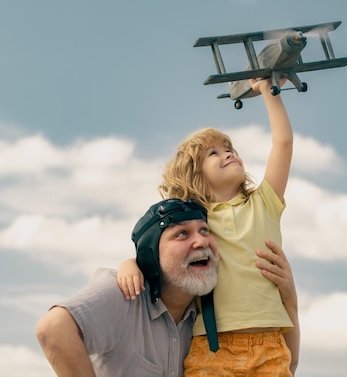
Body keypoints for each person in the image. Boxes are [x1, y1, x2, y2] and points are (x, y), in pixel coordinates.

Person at [118, 78, 299, 376]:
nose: (228, 153)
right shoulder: (195, 222)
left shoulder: (264, 203)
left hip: (270, 345)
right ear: (194, 175)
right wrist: (129, 264)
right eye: (213, 153)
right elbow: (157, 253)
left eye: (229, 149)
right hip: (212, 346)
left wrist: (269, 91)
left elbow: (283, 143)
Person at [35, 198, 298, 377]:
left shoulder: (206, 318)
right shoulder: (123, 293)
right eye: (181, 234)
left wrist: (289, 297)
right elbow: (53, 329)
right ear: (151, 255)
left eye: (205, 230)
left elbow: (285, 363)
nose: (200, 242)